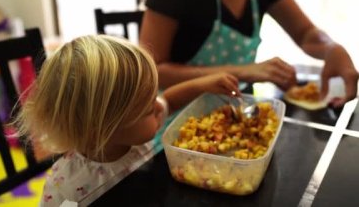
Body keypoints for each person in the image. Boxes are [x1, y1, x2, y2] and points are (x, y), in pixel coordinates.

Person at [13, 34, 240, 206]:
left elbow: (169, 99)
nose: (158, 107)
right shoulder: (68, 187)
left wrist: (204, 84)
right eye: (148, 109)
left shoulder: (131, 135)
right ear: (104, 128)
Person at [139, 0, 359, 107]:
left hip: (238, 106)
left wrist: (331, 49)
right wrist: (243, 71)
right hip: (173, 112)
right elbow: (152, 72)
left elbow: (306, 33)